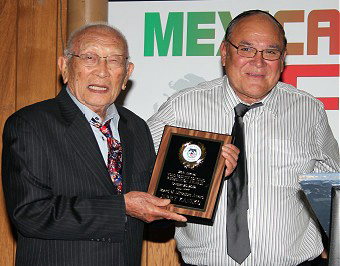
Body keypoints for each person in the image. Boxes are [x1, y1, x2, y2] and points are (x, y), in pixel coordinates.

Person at [147, 10, 340, 266]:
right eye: (246, 49)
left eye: (270, 52)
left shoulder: (308, 111)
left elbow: (334, 190)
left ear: (282, 59)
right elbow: (139, 172)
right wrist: (201, 172)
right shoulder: (182, 107)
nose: (258, 62)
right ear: (225, 52)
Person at [1, 23, 190, 266]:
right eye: (89, 58)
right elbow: (30, 214)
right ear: (65, 67)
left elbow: (152, 215)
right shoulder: (31, 124)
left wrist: (204, 174)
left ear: (127, 73)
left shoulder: (136, 128)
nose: (102, 71)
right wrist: (122, 208)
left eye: (114, 61)